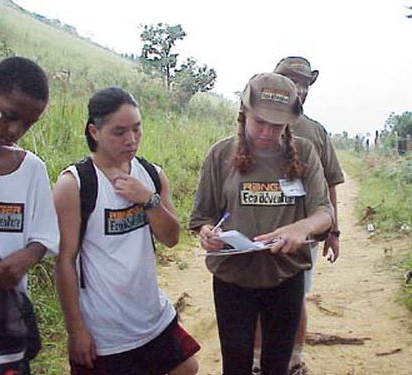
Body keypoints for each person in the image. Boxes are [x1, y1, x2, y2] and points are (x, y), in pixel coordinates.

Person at [189, 72, 334, 375]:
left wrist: (301, 228)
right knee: (236, 363)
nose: (268, 132)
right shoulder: (220, 155)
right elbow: (203, 217)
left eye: (277, 125)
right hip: (233, 281)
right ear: (243, 116)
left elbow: (324, 213)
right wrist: (207, 234)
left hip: (285, 278)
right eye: (260, 122)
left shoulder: (305, 152)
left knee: (276, 365)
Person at [53, 86, 200, 375]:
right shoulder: (75, 184)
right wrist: (76, 330)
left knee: (186, 367)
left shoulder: (151, 175)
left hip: (151, 316)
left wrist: (148, 200)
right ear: (94, 132)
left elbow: (171, 238)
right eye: (119, 132)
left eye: (137, 129)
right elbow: (64, 261)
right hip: (105, 329)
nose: (131, 140)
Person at [0, 57, 59, 374]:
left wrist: (27, 256)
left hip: (6, 320)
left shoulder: (31, 170)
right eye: (9, 116)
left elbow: (45, 236)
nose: (15, 130)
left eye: (28, 124)